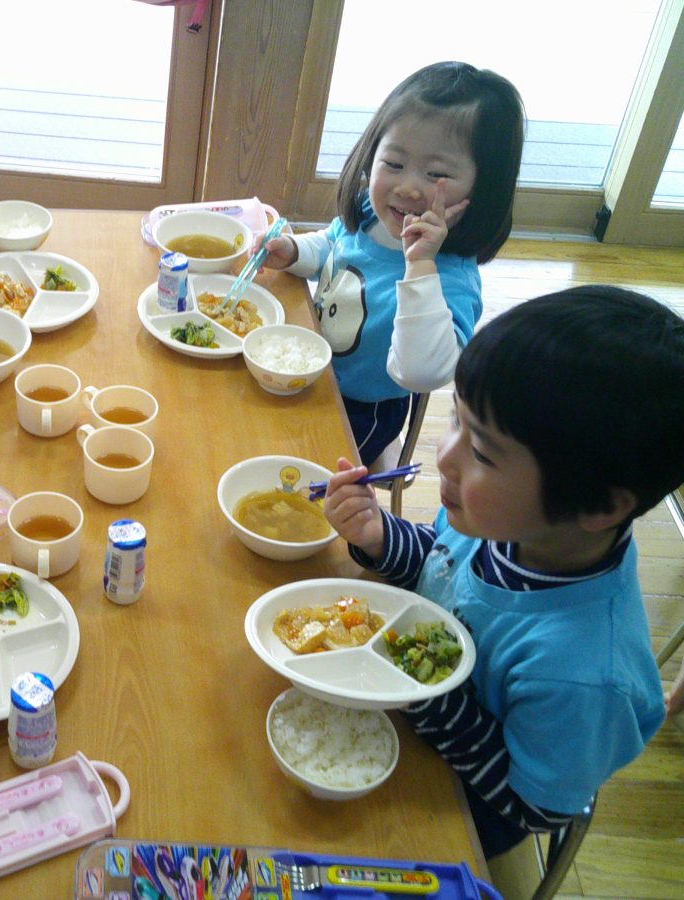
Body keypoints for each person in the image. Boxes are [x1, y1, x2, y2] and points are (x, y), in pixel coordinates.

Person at [321, 285, 684, 860]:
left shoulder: (587, 676)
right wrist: (377, 536)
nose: (444, 457)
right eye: (456, 421)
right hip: (403, 709)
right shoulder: (505, 521)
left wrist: (427, 695)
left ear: (599, 506)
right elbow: (441, 565)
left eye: (484, 453)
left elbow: (534, 807)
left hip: (461, 805)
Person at [260, 61, 524, 468]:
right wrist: (294, 252)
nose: (408, 187)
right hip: (309, 371)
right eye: (394, 164)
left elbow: (419, 372)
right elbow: (332, 244)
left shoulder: (450, 277)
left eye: (436, 173)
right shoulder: (371, 213)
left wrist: (420, 265)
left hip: (360, 412)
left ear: (483, 187)